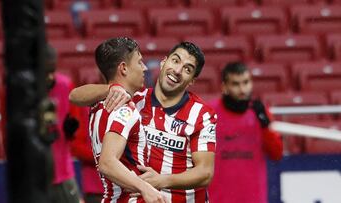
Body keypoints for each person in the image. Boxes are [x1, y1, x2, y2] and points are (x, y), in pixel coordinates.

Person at [69, 41, 217, 203]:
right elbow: (75, 96)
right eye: (175, 61)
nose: (177, 70)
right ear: (163, 62)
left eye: (187, 69)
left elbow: (205, 173)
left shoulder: (201, 114)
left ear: (192, 81)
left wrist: (162, 180)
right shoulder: (133, 99)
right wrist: (110, 88)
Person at [87, 37, 166, 203]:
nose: (144, 68)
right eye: (139, 62)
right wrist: (146, 189)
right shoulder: (124, 110)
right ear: (123, 68)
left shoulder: (97, 106)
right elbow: (107, 163)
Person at [207, 62, 283, 203]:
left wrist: (266, 126)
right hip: (217, 198)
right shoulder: (208, 113)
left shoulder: (260, 112)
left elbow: (276, 153)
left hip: (253, 198)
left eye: (246, 82)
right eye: (235, 84)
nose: (242, 89)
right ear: (224, 87)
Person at [45, 44, 82, 203]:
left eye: (52, 71)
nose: (50, 77)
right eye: (45, 72)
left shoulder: (66, 85)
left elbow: (75, 130)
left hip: (63, 173)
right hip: (35, 177)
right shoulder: (26, 91)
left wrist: (72, 129)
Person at [71, 106, 104, 203]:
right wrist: (106, 157)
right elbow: (76, 146)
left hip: (122, 186)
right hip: (94, 188)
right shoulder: (83, 106)